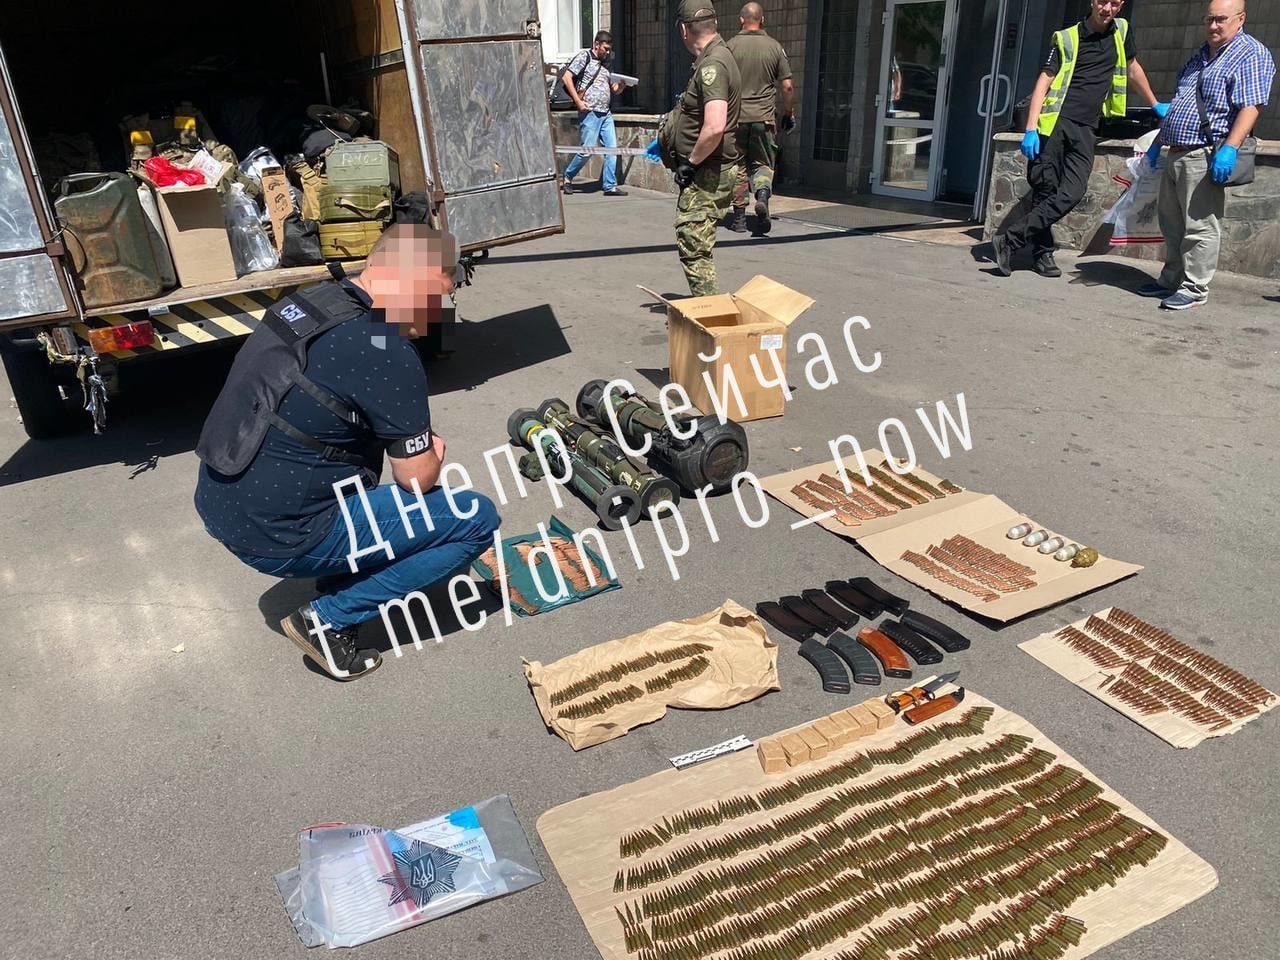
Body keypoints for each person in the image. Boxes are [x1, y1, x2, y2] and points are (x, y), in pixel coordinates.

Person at [193, 225, 500, 681]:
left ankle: (340, 571)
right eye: (434, 297)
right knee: (476, 519)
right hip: (280, 534)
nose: (438, 314)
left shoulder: (311, 302)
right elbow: (417, 479)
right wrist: (434, 452)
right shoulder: (385, 347)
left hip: (220, 501)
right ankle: (328, 620)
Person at [991, 0, 1168, 278]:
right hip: (1056, 124)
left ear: (1121, 5)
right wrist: (1031, 128)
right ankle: (1041, 255)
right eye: (1102, 1)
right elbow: (1044, 81)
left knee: (1073, 192)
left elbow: (1132, 67)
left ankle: (1010, 239)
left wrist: (1154, 103)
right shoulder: (1067, 37)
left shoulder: (1122, 32)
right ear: (1092, 1)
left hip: (1087, 127)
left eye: (1114, 2)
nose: (1107, 8)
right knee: (1046, 190)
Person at [1140, 0, 1273, 310]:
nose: (1213, 25)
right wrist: (1159, 142)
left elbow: (1252, 105)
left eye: (1221, 19)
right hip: (1176, 152)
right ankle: (1172, 279)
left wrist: (1230, 148)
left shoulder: (1250, 53)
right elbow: (1181, 102)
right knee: (1172, 224)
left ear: (1241, 19)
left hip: (1204, 153)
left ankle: (1194, 288)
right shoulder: (1201, 55)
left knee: (1199, 226)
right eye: (1209, 19)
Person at [660, 1, 742, 295]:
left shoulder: (713, 65)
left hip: (708, 170)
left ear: (684, 29)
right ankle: (708, 307)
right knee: (696, 241)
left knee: (693, 243)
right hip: (710, 167)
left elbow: (715, 126)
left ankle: (710, 313)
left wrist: (691, 162)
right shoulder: (716, 57)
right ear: (714, 22)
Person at [725, 3, 794, 235]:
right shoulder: (774, 47)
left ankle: (739, 219)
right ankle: (762, 196)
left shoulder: (730, 47)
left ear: (741, 20)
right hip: (764, 119)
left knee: (738, 166)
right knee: (762, 164)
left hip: (736, 119)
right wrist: (788, 113)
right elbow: (787, 86)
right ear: (762, 19)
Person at [561, 31, 628, 197]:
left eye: (609, 49)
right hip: (590, 112)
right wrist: (578, 102)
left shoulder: (607, 64)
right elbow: (566, 78)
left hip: (606, 113)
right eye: (605, 48)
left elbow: (614, 89)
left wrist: (621, 87)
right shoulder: (584, 57)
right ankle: (568, 177)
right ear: (596, 44)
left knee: (612, 150)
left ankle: (610, 186)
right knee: (587, 150)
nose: (607, 52)